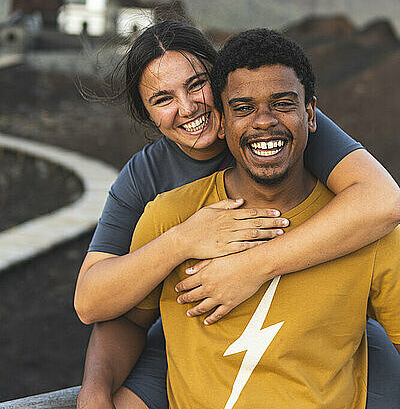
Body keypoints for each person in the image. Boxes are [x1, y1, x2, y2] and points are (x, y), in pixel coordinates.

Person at [74, 21, 400, 409]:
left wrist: (251, 268)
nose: (187, 107)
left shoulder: (278, 120)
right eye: (163, 99)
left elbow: (383, 201)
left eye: (196, 85)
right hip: (194, 327)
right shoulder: (150, 184)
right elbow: (96, 302)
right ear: (147, 115)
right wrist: (183, 239)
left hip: (322, 332)